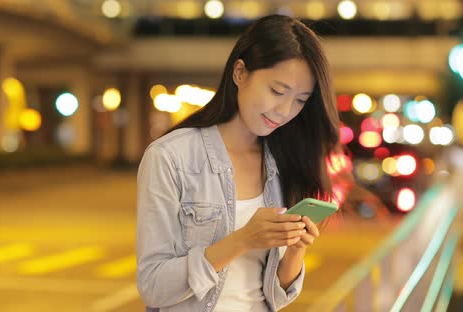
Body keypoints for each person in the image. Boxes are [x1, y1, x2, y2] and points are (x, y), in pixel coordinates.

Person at [136, 15, 340, 312]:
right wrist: (243, 240)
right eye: (277, 91)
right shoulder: (170, 157)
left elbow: (277, 295)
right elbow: (154, 288)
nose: (284, 111)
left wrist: (296, 250)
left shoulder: (283, 162)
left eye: (300, 100)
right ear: (240, 73)